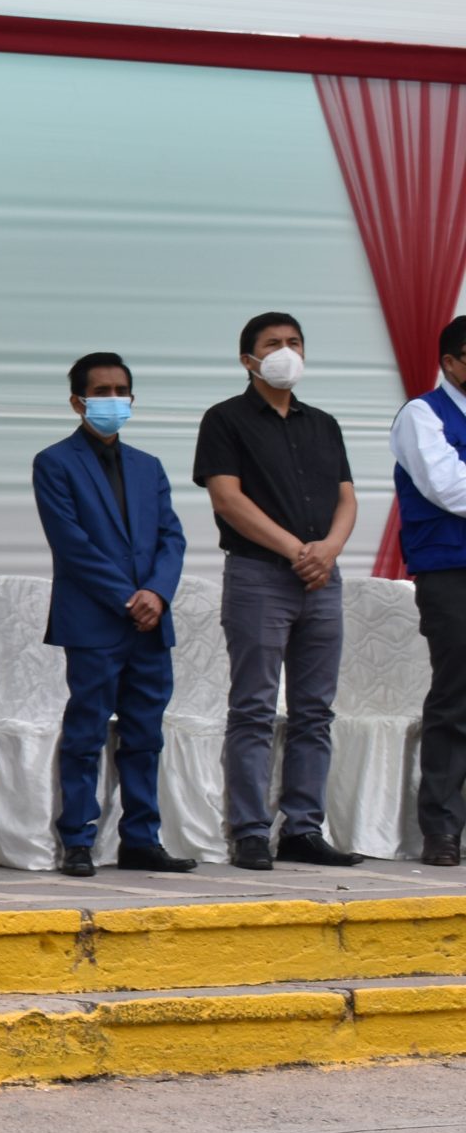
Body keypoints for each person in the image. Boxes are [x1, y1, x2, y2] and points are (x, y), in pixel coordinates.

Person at [193, 311, 361, 872]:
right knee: (254, 707)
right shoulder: (225, 420)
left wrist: (330, 550)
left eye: (294, 343)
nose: (286, 351)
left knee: (315, 711)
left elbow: (346, 497)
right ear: (249, 360)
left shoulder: (324, 423)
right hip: (261, 575)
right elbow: (227, 499)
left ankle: (303, 829)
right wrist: (298, 550)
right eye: (273, 345)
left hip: (322, 578)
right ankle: (248, 829)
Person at [33, 353, 192, 878]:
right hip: (97, 621)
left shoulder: (149, 467)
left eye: (121, 390)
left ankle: (141, 838)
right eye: (100, 391)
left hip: (150, 622)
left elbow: (172, 536)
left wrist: (158, 593)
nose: (112, 400)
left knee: (146, 734)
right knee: (87, 733)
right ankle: (77, 839)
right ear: (78, 401)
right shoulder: (54, 462)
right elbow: (72, 545)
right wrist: (131, 597)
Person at [392, 314, 466, 868]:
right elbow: (447, 487)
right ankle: (441, 827)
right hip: (450, 571)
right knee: (457, 697)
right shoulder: (422, 414)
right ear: (450, 361)